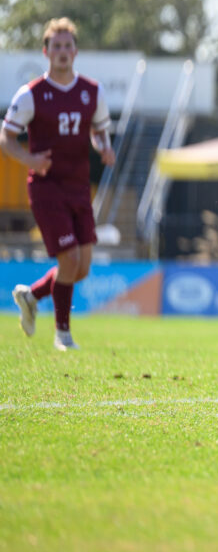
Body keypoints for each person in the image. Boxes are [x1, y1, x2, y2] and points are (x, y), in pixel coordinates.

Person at [3, 18, 115, 351]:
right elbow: (6, 137)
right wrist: (30, 161)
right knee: (68, 261)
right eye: (57, 47)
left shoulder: (92, 91)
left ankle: (31, 294)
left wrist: (104, 147)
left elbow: (99, 130)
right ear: (46, 51)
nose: (63, 52)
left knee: (81, 268)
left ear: (76, 51)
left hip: (79, 187)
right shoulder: (31, 94)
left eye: (68, 46)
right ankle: (62, 334)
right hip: (47, 188)